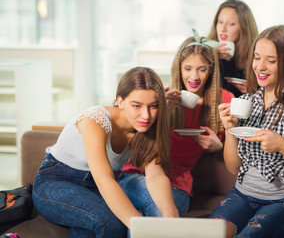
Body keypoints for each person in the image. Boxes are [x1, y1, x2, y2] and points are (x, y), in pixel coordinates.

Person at [210, 25, 284, 238]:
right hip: (241, 194)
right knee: (208, 234)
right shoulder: (248, 101)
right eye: (257, 58)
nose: (260, 66)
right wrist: (230, 130)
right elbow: (233, 167)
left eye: (271, 60)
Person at [32, 67, 179, 238]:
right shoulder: (94, 120)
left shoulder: (145, 129)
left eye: (153, 106)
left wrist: (171, 214)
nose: (146, 115)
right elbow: (104, 180)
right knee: (112, 222)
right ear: (121, 102)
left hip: (92, 190)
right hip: (55, 183)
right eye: (136, 106)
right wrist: (140, 226)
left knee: (91, 227)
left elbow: (155, 176)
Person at [118, 29, 234, 217]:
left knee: (148, 213)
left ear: (211, 70)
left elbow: (238, 148)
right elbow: (138, 141)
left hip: (178, 184)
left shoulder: (225, 100)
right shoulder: (164, 97)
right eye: (187, 68)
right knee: (157, 209)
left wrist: (219, 146)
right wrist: (162, 113)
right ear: (179, 69)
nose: (194, 77)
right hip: (139, 175)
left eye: (202, 69)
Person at [208, 0, 258, 97]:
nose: (223, 28)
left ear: (244, 28)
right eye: (220, 21)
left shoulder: (255, 57)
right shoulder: (206, 52)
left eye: (231, 24)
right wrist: (209, 56)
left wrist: (256, 90)